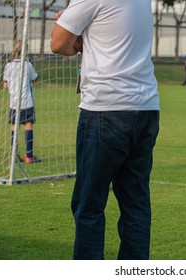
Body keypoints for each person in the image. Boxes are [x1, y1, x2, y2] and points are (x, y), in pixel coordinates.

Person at [50, 0, 160, 260]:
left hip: (106, 108)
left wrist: (70, 26)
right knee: (135, 205)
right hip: (146, 107)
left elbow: (58, 44)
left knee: (89, 206)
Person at [3, 40, 41, 164]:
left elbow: (5, 85)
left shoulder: (8, 66)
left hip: (13, 102)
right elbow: (35, 78)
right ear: (26, 51)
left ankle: (14, 156)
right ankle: (29, 156)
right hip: (26, 101)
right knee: (28, 125)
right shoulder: (27, 64)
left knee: (15, 127)